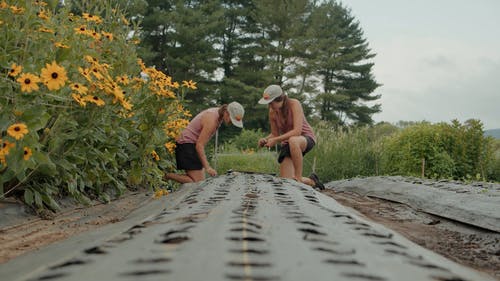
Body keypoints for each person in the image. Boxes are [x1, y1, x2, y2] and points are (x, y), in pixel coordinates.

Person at [257, 84, 324, 190]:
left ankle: (298, 177)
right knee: (286, 181)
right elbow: (274, 134)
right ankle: (312, 181)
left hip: (305, 138)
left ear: (280, 99)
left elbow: (297, 131)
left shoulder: (294, 104)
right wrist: (266, 139)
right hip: (287, 144)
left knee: (293, 140)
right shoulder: (272, 112)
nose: (270, 106)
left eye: (271, 103)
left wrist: (275, 140)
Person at [165, 102, 245, 183]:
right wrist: (208, 167)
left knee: (200, 182)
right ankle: (167, 175)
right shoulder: (212, 120)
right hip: (186, 145)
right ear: (227, 113)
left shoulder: (218, 114)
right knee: (196, 183)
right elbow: (199, 145)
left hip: (191, 144)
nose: (231, 123)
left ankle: (168, 175)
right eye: (232, 120)